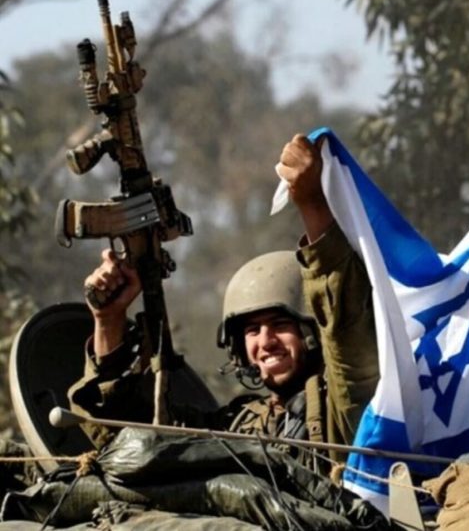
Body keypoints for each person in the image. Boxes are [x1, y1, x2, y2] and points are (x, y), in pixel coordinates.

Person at [69, 137, 379, 470]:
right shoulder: (237, 427)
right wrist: (108, 320)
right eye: (252, 330)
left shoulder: (347, 407)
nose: (265, 342)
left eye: (280, 325)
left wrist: (311, 202)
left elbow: (345, 324)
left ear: (313, 331)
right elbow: (126, 438)